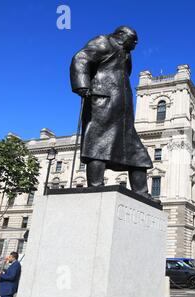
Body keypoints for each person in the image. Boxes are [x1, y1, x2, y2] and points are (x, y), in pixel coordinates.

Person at [70, 26, 158, 202]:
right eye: (133, 39)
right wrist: (82, 85)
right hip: (102, 103)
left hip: (123, 111)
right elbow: (80, 59)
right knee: (98, 144)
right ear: (121, 35)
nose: (135, 43)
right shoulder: (104, 42)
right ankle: (95, 187)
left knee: (138, 153)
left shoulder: (125, 53)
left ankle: (141, 193)